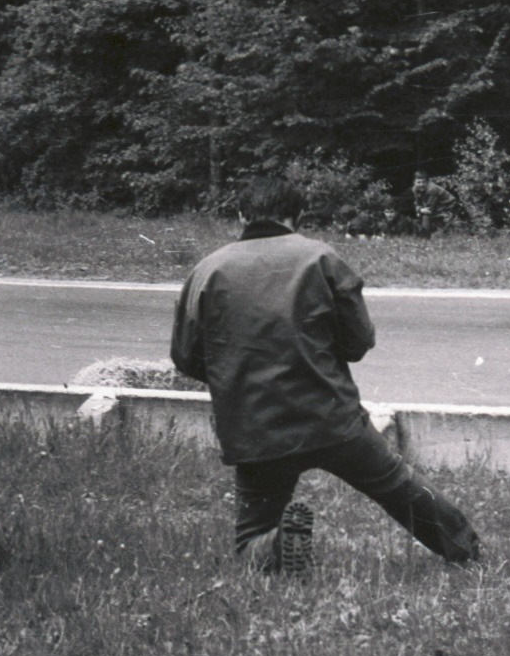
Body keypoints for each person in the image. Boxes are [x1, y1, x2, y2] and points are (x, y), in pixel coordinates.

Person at [171, 176, 480, 576]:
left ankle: (274, 543)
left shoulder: (206, 271)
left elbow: (184, 357)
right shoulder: (321, 258)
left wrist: (235, 375)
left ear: (240, 215)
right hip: (330, 417)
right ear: (296, 216)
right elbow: (358, 342)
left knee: (250, 535)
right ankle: (465, 550)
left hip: (254, 428)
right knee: (396, 485)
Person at [411, 171, 454, 237]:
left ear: (427, 182)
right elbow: (417, 204)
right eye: (419, 182)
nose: (421, 184)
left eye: (424, 182)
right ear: (414, 182)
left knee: (426, 215)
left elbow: (429, 209)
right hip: (437, 207)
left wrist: (419, 210)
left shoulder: (432, 189)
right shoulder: (415, 189)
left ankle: (425, 237)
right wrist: (419, 209)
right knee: (417, 214)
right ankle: (419, 233)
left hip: (449, 207)